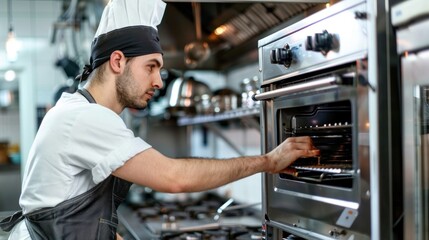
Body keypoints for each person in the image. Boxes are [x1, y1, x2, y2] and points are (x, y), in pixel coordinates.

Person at [0, 0, 320, 239]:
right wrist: (268, 160)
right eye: (151, 67)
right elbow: (174, 177)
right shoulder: (84, 118)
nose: (158, 82)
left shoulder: (76, 111)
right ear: (117, 61)